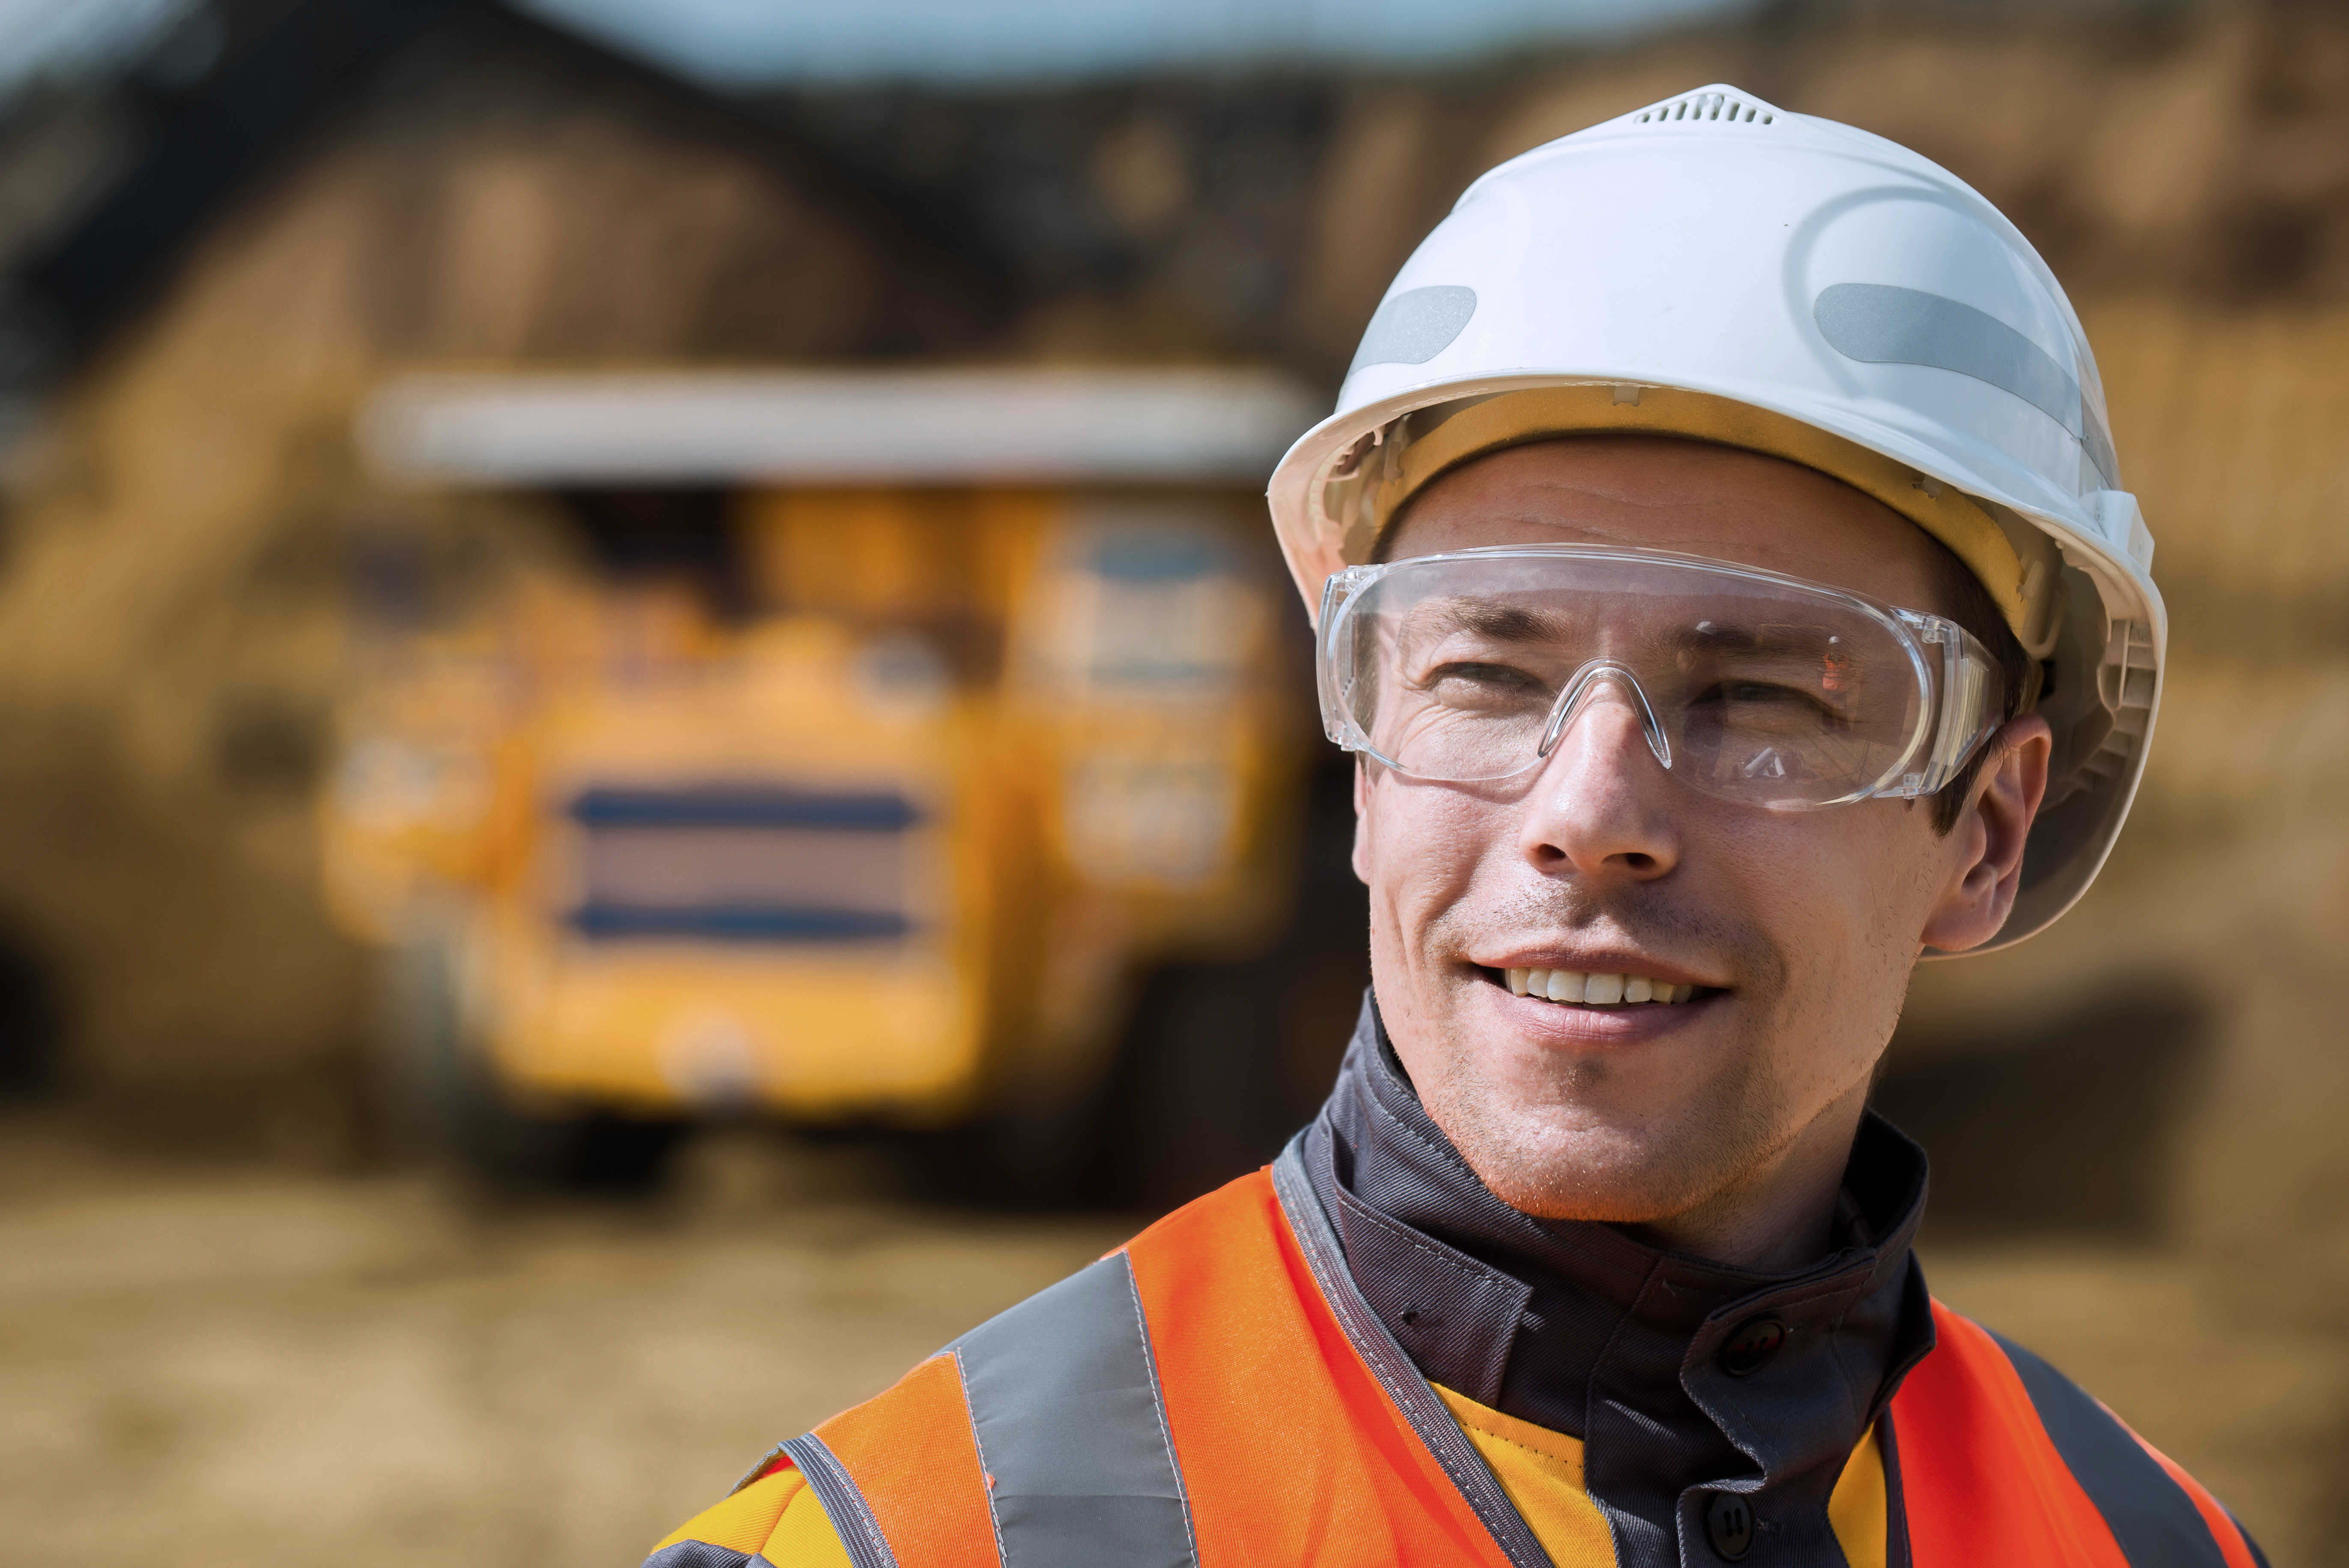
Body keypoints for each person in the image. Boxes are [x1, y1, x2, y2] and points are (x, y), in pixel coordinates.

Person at [641, 86, 2261, 1568]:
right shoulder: (906, 1543)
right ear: (1365, 770)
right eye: (1488, 675)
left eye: (1765, 697)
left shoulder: (2149, 1544)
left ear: (1984, 830)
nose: (1589, 814)